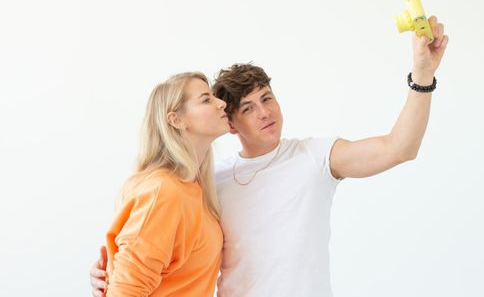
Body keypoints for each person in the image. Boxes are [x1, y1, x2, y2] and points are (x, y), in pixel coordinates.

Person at [91, 16, 448, 297]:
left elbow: (399, 148)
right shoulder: (208, 185)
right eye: (247, 107)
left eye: (267, 98)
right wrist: (108, 277)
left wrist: (422, 76)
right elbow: (149, 262)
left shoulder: (315, 156)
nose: (264, 112)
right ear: (229, 123)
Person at [94, 72, 230, 296]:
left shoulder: (194, 191)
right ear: (176, 119)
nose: (221, 103)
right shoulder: (163, 192)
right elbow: (126, 290)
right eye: (206, 99)